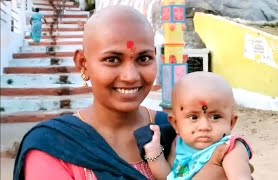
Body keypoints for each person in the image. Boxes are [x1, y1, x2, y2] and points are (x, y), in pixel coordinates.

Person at [12, 6, 234, 180]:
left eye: (143, 58)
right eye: (112, 59)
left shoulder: (177, 131)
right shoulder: (54, 146)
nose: (131, 76)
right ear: (83, 64)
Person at [141, 72, 253, 180]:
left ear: (231, 123)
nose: (204, 127)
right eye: (193, 117)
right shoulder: (178, 144)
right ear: (176, 124)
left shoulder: (230, 148)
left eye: (215, 117)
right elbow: (168, 177)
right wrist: (154, 155)